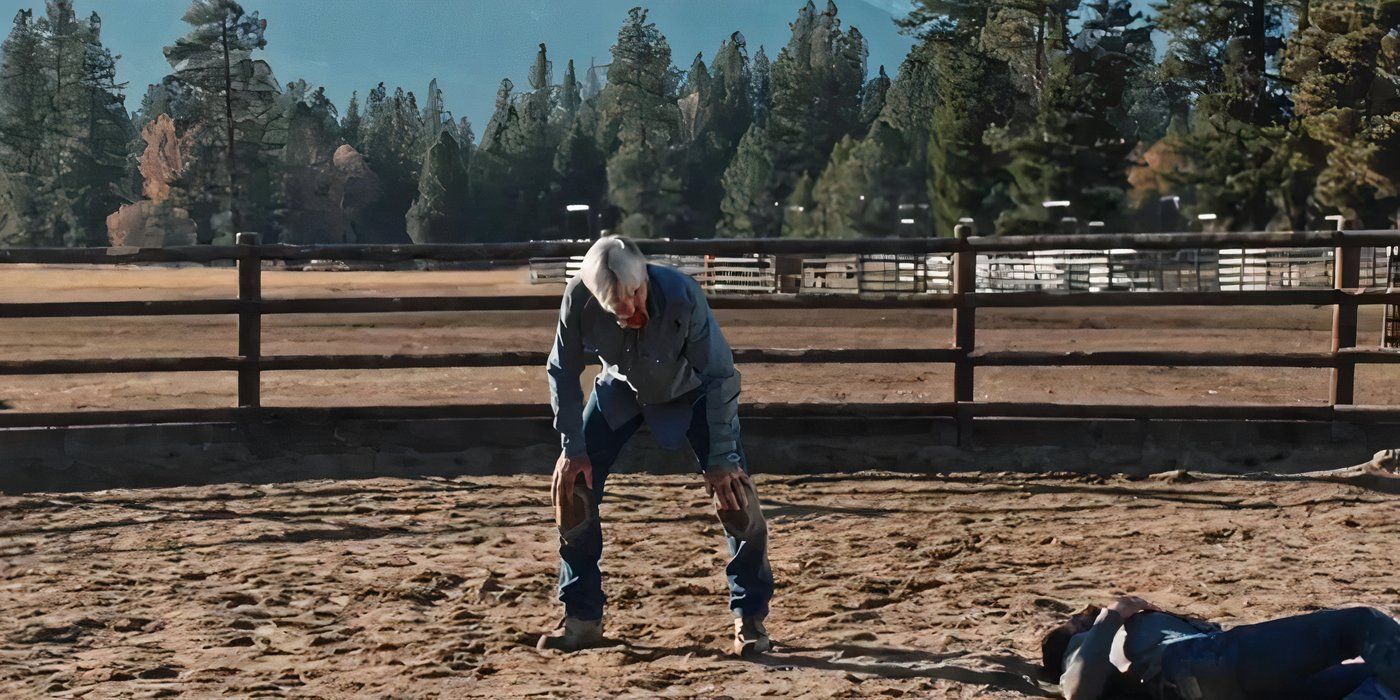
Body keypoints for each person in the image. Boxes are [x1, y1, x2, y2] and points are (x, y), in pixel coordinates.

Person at [538, 235, 775, 656]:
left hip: (692, 390)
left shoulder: (683, 295)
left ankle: (750, 618)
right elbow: (562, 370)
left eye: (634, 297)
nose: (629, 313)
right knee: (573, 493)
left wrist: (721, 456)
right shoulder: (577, 301)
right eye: (616, 309)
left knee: (736, 496)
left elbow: (721, 375)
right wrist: (572, 447)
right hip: (620, 389)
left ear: (643, 276)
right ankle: (582, 618)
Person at [1041, 595, 1400, 700]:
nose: (1081, 616)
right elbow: (1077, 692)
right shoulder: (1086, 642)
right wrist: (1111, 615)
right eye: (1075, 619)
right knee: (1361, 623)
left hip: (1224, 678)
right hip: (1200, 663)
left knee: (1372, 675)